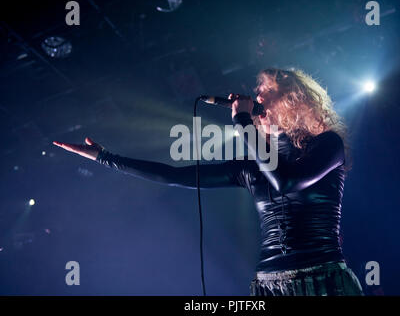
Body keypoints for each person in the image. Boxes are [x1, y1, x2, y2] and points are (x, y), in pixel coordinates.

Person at [53, 67, 364, 296]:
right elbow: (175, 176)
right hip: (267, 287)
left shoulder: (327, 144)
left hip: (323, 281)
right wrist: (106, 157)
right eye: (258, 91)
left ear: (295, 97)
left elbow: (286, 181)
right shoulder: (252, 167)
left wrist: (243, 122)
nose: (257, 97)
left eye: (268, 90)